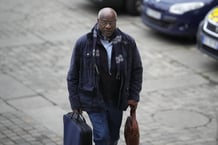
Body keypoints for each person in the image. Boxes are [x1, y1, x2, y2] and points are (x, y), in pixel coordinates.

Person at [67, 7, 143, 145]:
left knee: (113, 137)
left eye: (111, 22)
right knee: (102, 137)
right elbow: (72, 75)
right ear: (98, 21)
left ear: (116, 22)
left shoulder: (127, 42)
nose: (108, 26)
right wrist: (75, 101)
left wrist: (134, 96)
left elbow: (137, 70)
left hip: (117, 100)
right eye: (104, 22)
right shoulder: (83, 43)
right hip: (93, 99)